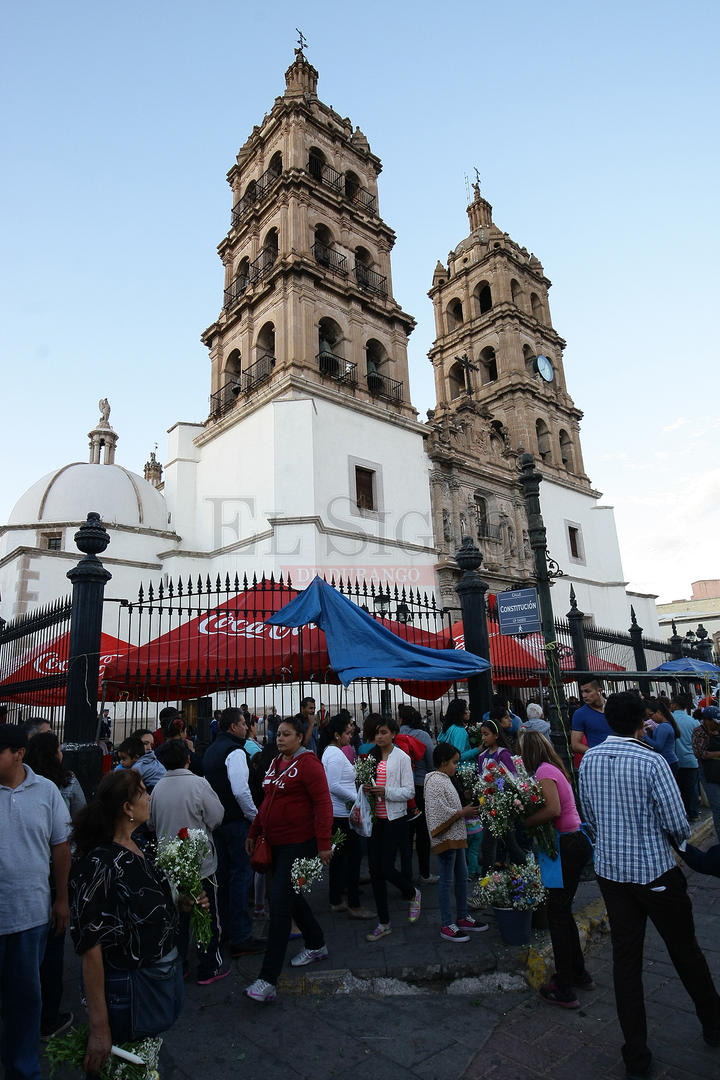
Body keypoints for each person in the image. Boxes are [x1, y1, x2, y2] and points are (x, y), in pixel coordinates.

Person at [579, 691, 720, 1078]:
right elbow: (677, 823)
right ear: (642, 721)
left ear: (608, 721)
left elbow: (588, 813)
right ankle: (712, 1023)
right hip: (654, 870)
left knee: (626, 962)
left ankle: (635, 1053)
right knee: (684, 949)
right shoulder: (651, 760)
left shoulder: (589, 759)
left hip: (611, 872)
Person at [69, 770, 205, 1077]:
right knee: (128, 1064)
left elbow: (144, 906)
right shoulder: (98, 863)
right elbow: (90, 946)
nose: (149, 797)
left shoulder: (139, 845)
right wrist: (99, 1027)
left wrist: (182, 903)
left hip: (157, 979)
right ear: (127, 808)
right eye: (143, 793)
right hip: (130, 987)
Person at [245, 717, 333, 1003]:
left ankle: (267, 979)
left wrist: (323, 844)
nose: (280, 738)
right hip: (275, 844)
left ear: (299, 738)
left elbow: (323, 802)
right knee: (289, 898)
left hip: (299, 843)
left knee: (280, 904)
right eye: (279, 734)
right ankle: (317, 943)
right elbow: (267, 800)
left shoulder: (309, 764)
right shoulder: (275, 763)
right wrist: (255, 830)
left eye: (287, 734)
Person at [0, 724, 71, 1080]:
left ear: (18, 754)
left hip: (30, 913)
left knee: (26, 998)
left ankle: (23, 1068)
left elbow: (61, 846)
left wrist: (62, 898)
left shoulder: (46, 791)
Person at [519, 730, 593, 1008]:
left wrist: (525, 822)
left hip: (566, 844)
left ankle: (564, 985)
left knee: (558, 915)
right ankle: (578, 972)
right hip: (573, 841)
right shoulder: (553, 767)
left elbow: (552, 809)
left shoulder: (543, 772)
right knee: (563, 911)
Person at [148, 739, 227, 985]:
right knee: (206, 913)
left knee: (177, 917)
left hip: (170, 864)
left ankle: (179, 962)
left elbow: (151, 824)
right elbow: (216, 817)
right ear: (188, 759)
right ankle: (208, 964)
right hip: (200, 862)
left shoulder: (158, 788)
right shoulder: (199, 784)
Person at [24, 732, 86, 1039]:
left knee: (27, 942)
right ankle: (47, 1014)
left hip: (30, 868)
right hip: (58, 867)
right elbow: (80, 819)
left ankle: (25, 1007)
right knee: (53, 944)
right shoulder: (66, 781)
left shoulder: (22, 784)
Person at [202, 708, 266, 958]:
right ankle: (240, 934)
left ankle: (226, 929)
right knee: (240, 877)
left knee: (224, 878)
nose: (245, 727)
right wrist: (255, 817)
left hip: (218, 822)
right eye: (242, 723)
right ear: (232, 727)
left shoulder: (211, 750)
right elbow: (240, 790)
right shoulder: (235, 752)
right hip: (236, 822)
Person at [363, 718, 420, 943]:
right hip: (375, 820)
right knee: (374, 871)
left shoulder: (402, 758)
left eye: (384, 732)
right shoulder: (371, 757)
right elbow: (364, 782)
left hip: (394, 819)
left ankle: (412, 891)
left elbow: (408, 792)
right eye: (377, 733)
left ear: (393, 734)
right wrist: (366, 788)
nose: (379, 737)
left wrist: (384, 791)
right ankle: (383, 922)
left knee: (386, 867)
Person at [424, 743, 488, 941]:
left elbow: (448, 803)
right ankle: (446, 923)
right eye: (454, 763)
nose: (456, 767)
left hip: (456, 836)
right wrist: (463, 812)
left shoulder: (445, 779)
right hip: (446, 838)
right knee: (447, 880)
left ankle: (462, 916)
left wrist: (464, 800)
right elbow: (438, 811)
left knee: (462, 875)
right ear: (443, 763)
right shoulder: (435, 781)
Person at [318, 715, 374, 920]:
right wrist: (357, 798)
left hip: (342, 811)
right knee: (353, 856)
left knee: (340, 858)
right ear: (336, 735)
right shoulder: (333, 754)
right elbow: (332, 785)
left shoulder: (335, 752)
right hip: (341, 814)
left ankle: (336, 899)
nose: (350, 737)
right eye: (348, 733)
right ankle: (353, 903)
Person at [398, 704, 437, 884]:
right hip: (421, 786)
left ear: (400, 719)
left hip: (402, 789)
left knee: (405, 833)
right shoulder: (422, 735)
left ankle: (405, 874)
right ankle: (425, 873)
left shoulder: (396, 734)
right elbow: (431, 760)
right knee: (422, 832)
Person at [692, 705, 720, 840]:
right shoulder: (699, 732)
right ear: (707, 720)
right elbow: (700, 753)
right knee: (717, 807)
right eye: (714, 721)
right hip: (708, 773)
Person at [672, 692, 701, 819]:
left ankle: (682, 813)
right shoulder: (693, 722)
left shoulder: (669, 721)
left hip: (676, 760)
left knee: (678, 789)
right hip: (691, 760)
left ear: (674, 705)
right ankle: (693, 812)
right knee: (692, 789)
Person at [571, 678, 612, 758]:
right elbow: (575, 745)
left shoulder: (615, 707)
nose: (584, 695)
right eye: (582, 692)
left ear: (599, 691)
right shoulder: (580, 714)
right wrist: (597, 753)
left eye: (588, 691)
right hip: (598, 760)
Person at [641, 697, 679, 776]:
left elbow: (658, 746)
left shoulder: (663, 726)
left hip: (668, 761)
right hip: (670, 761)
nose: (651, 718)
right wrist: (650, 733)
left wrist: (644, 736)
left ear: (659, 712)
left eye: (651, 715)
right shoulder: (665, 725)